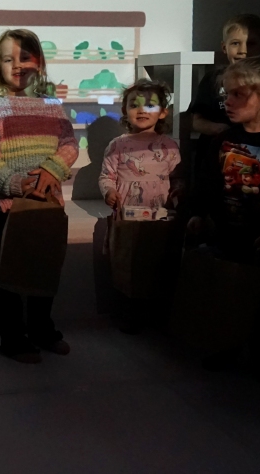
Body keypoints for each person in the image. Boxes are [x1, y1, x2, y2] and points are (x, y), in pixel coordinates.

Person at [188, 56, 260, 383]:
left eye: (239, 94)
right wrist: (198, 213)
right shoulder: (223, 140)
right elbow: (207, 180)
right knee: (228, 295)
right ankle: (226, 347)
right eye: (227, 94)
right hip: (227, 233)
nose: (229, 101)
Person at [0, 29, 78, 364]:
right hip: (12, 206)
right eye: (9, 59)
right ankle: (12, 338)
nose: (17, 65)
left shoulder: (52, 106)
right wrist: (16, 183)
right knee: (11, 274)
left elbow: (69, 144)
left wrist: (51, 169)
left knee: (45, 269)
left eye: (25, 57)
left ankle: (42, 330)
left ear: (40, 63)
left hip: (48, 205)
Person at [98, 79, 184, 333]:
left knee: (155, 264)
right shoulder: (117, 145)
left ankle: (154, 315)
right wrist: (109, 191)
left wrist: (179, 194)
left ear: (163, 112)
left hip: (159, 218)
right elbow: (106, 176)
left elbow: (177, 177)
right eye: (134, 104)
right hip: (127, 219)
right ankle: (127, 314)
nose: (142, 110)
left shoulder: (169, 145)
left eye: (150, 105)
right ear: (125, 110)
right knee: (126, 264)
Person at [189, 14, 260, 139]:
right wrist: (218, 129)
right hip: (217, 146)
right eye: (235, 43)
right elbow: (197, 121)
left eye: (251, 43)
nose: (243, 50)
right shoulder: (212, 79)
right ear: (224, 47)